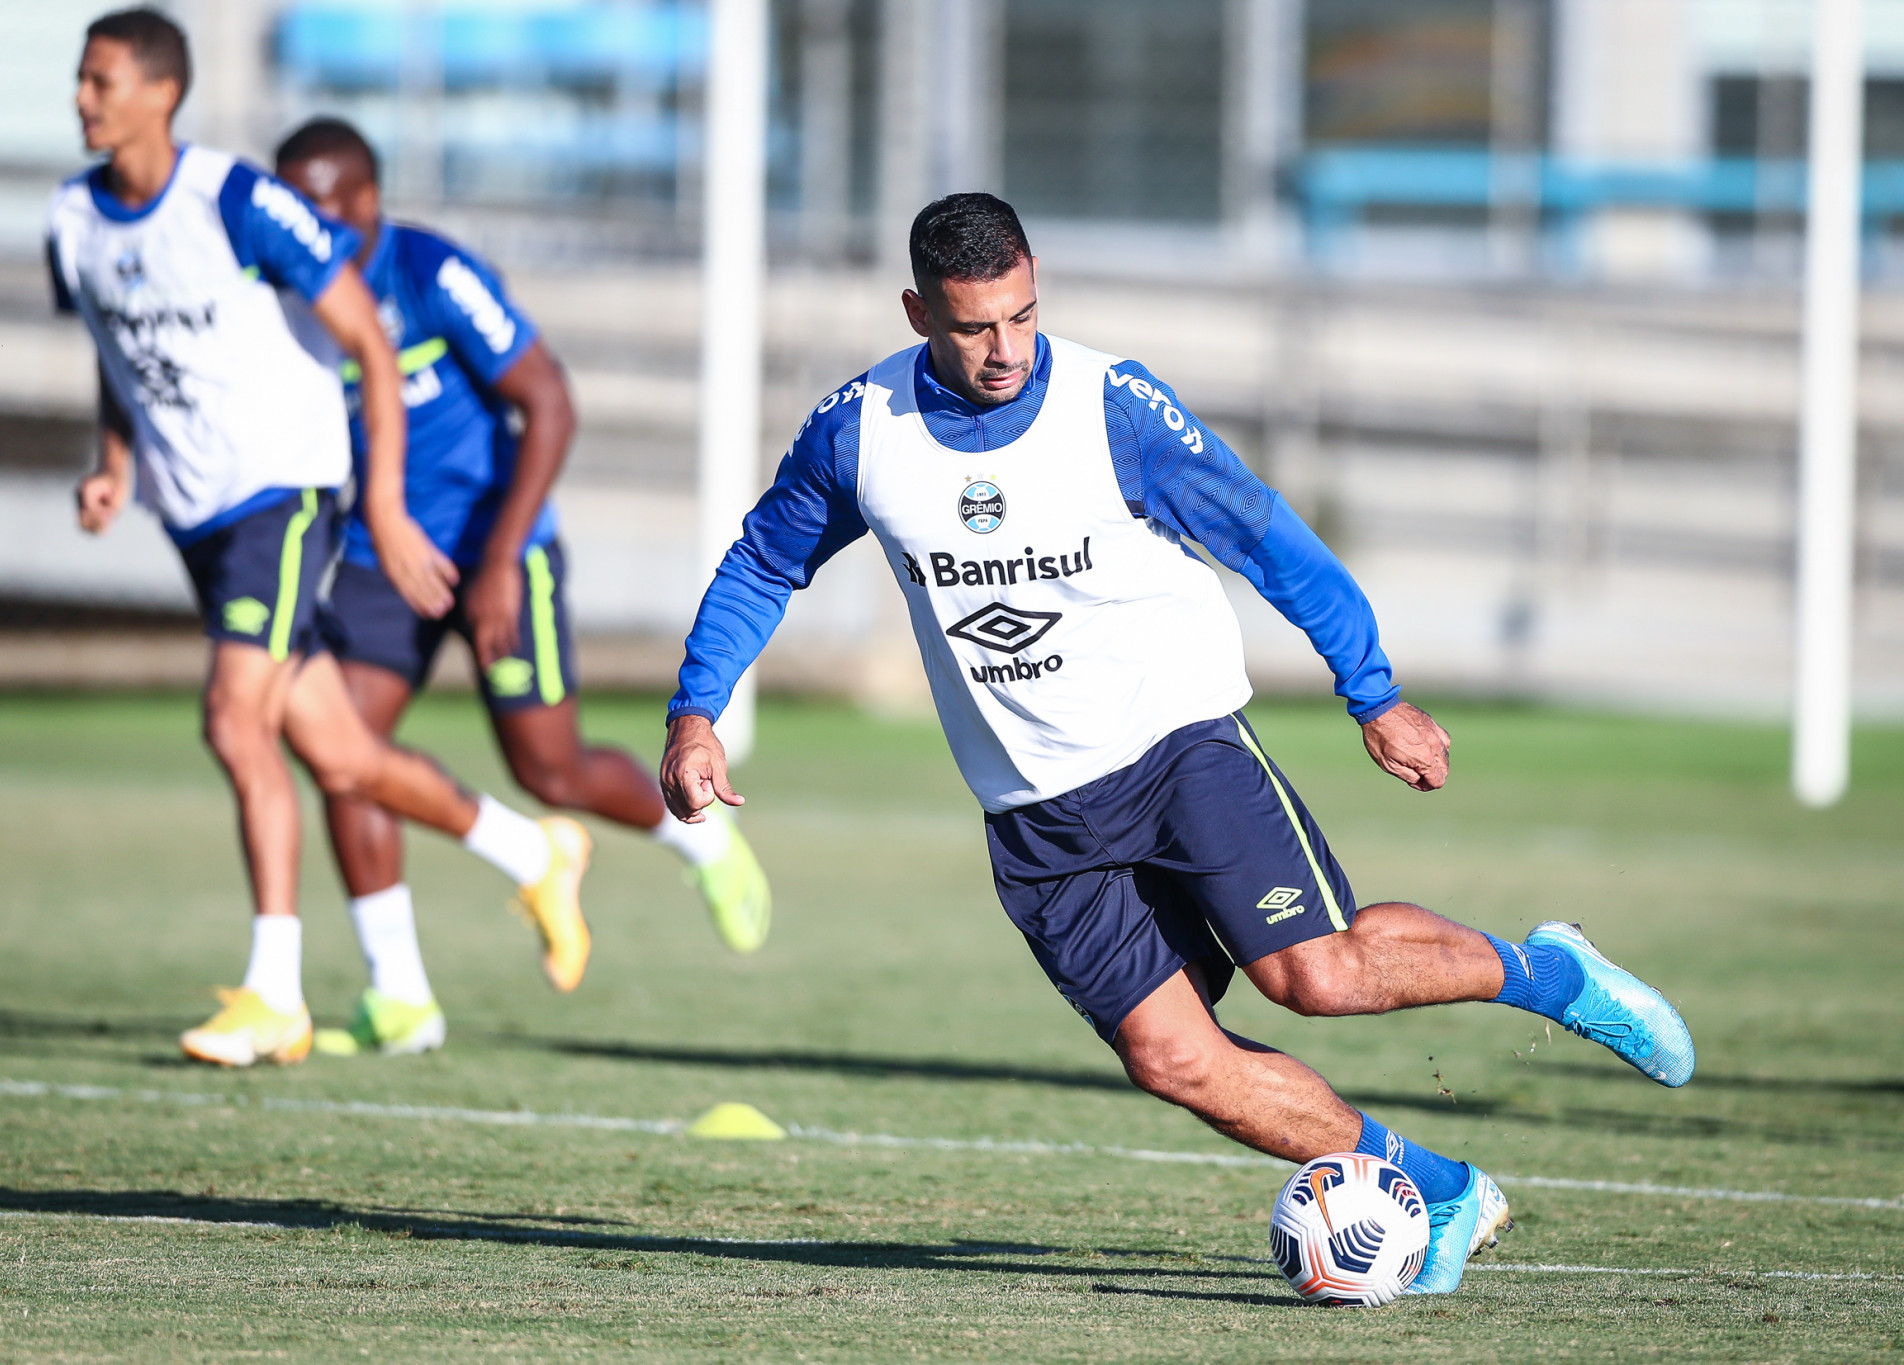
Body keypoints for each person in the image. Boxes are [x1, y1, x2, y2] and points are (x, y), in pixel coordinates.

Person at [659, 193, 1696, 1295]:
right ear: (918, 312)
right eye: (972, 328)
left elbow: (1263, 535)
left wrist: (1373, 694)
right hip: (1037, 816)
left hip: (1176, 746)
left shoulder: (1114, 408)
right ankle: (1434, 1186)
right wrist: (695, 711)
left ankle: (1547, 970)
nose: (1005, 349)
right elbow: (765, 564)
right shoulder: (858, 432)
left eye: (1020, 315)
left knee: (1313, 975)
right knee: (1172, 1059)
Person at [48, 8, 589, 1066]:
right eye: (79, 79)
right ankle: (531, 851)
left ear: (162, 91)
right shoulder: (72, 219)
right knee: (337, 750)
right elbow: (117, 348)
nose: (81, 97)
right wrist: (116, 464)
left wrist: (380, 506)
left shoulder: (238, 202)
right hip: (195, 516)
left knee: (232, 723)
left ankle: (275, 992)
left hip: (283, 496)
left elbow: (369, 350)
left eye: (99, 79)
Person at [266, 119, 773, 1057]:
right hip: (385, 558)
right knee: (343, 749)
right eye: (290, 206)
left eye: (322, 205)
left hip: (501, 548)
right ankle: (401, 994)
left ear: (368, 201)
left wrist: (501, 562)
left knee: (549, 769)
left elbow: (549, 401)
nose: (303, 225)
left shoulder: (431, 274)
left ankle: (700, 842)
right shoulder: (283, 291)